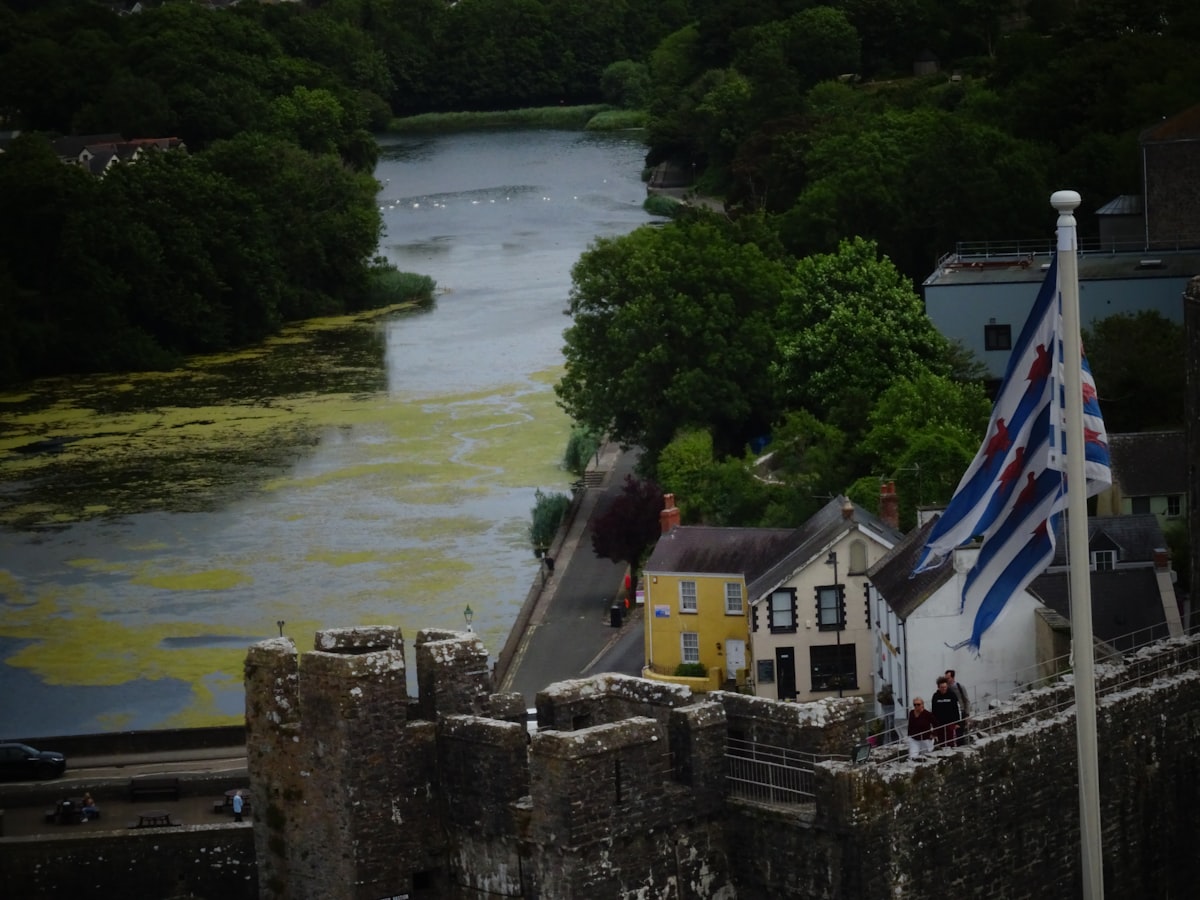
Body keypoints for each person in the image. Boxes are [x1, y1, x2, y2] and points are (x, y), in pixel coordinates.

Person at [929, 675, 962, 746]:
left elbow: (956, 709)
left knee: (951, 742)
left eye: (945, 687)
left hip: (950, 723)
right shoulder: (935, 696)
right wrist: (933, 724)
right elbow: (933, 711)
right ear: (938, 687)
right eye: (942, 687)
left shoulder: (952, 695)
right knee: (941, 742)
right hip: (939, 724)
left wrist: (957, 723)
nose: (944, 689)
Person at [945, 669, 970, 740]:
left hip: (960, 711)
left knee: (959, 731)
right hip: (950, 712)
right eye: (945, 678)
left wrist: (967, 714)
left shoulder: (960, 687)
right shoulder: (945, 688)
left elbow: (966, 700)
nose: (946, 680)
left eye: (948, 678)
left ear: (953, 678)